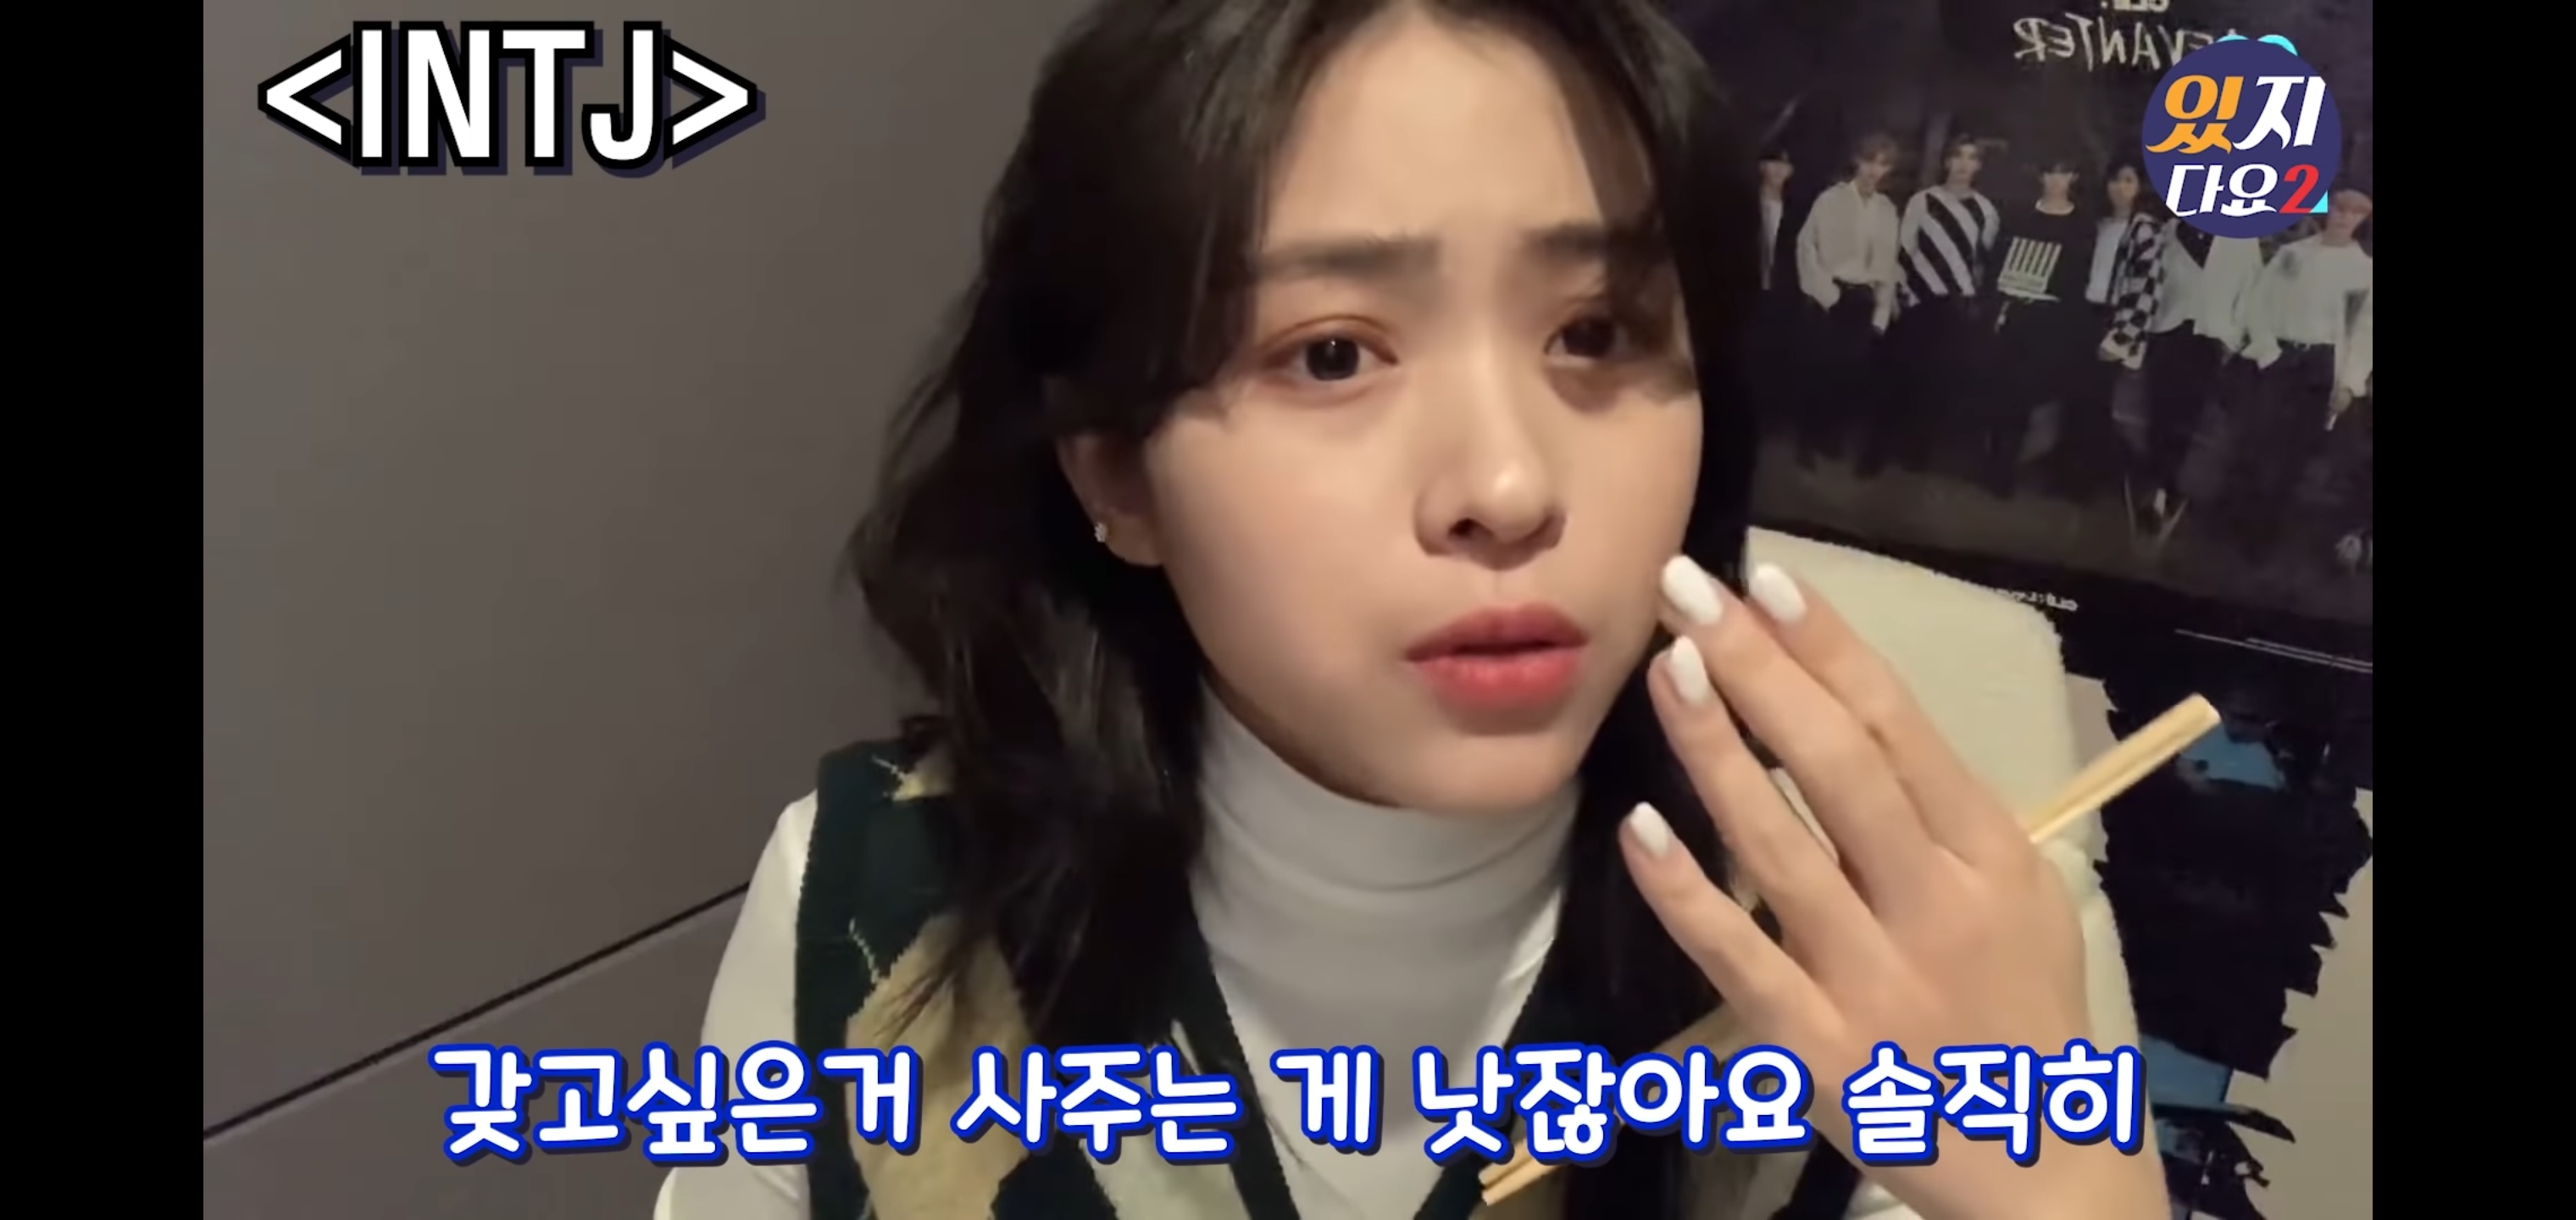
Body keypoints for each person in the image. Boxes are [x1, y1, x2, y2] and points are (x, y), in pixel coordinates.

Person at [657, 3, 2168, 1218]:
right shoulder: (874, 904)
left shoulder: (1916, 956)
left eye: (1597, 332)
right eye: (1331, 354)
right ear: (1116, 469)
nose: (1508, 486)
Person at [2219, 189, 2373, 560]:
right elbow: (2260, 303)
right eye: (2339, 208)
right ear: (2327, 209)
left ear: (2364, 219)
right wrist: (2268, 351)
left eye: (2356, 212)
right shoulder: (2293, 255)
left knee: (2295, 454)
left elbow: (2365, 332)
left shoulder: (2364, 271)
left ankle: (2264, 535)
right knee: (2258, 439)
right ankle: (2234, 519)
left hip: (2321, 365)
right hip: (2281, 356)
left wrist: (2349, 383)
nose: (2344, 217)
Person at [1866, 134, 1999, 477]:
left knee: (1936, 385)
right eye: (1958, 156)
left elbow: (1982, 263)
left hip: (1955, 309)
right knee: (1897, 380)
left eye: (1971, 158)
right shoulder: (1923, 201)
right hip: (1917, 303)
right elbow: (1903, 251)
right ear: (1947, 161)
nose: (1964, 164)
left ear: (1979, 166)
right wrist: (1898, 296)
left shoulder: (1986, 211)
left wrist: (1973, 303)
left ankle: (1917, 452)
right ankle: (1875, 453)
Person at [2130, 214, 2262, 543]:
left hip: (2208, 339)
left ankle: (2166, 486)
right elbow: (2153, 278)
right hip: (2168, 330)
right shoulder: (2174, 229)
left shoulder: (2243, 239)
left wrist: (2232, 338)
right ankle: (2152, 482)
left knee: (2187, 417)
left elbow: (2250, 292)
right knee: (2158, 408)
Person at [1976, 153, 2096, 497]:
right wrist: (1993, 308)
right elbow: (1995, 267)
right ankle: (1990, 460)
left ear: (2073, 178)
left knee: (2026, 397)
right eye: (2050, 173)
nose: (2056, 181)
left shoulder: (2082, 226)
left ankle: (2005, 469)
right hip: (2009, 314)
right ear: (2040, 176)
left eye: (2063, 174)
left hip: (2047, 322)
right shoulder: (2018, 216)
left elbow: (2077, 283)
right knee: (1997, 391)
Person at [1790, 132, 1901, 468]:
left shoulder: (1886, 210)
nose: (1874, 170)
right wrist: (1827, 294)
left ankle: (1829, 436)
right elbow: (1806, 248)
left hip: (1863, 300)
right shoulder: (1831, 200)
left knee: (1848, 377)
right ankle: (1806, 442)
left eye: (1882, 164)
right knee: (1819, 372)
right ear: (1856, 161)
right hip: (1830, 296)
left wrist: (1880, 316)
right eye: (1869, 161)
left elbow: (1889, 265)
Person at [2068, 155, 2167, 502]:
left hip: (2114, 320)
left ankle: (2089, 483)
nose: (2120, 188)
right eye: (2115, 180)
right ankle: (2067, 475)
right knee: (2077, 400)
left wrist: (2122, 337)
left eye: (2128, 181)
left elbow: (2147, 288)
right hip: (2085, 316)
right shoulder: (2101, 225)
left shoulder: (2145, 230)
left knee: (2098, 404)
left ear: (2139, 187)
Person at [1748, 144, 1807, 451]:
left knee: (1774, 353)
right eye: (1772, 163)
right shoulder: (1745, 205)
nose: (1778, 171)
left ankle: (1769, 418)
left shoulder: (1796, 210)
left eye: (1784, 165)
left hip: (1781, 293)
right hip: (1749, 291)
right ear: (1761, 167)